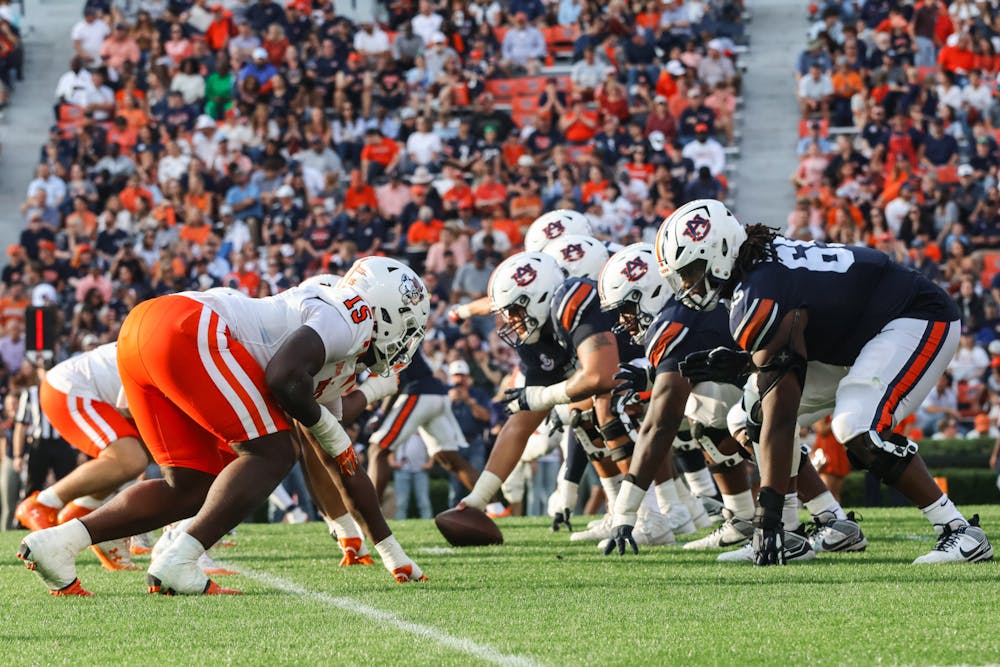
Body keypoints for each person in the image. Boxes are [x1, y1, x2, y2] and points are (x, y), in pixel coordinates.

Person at [18, 258, 431, 595]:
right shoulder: (351, 316)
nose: (407, 341)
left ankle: (59, 543)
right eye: (409, 326)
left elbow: (340, 460)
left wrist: (391, 551)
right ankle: (179, 560)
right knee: (274, 451)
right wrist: (330, 426)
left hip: (145, 330)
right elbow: (284, 379)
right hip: (186, 326)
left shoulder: (334, 357)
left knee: (192, 485)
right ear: (386, 309)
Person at [658, 198, 993, 565]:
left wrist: (765, 514)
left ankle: (960, 531)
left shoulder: (760, 292)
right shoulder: (754, 274)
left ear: (720, 251)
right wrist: (744, 367)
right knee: (746, 415)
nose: (687, 285)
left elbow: (782, 412)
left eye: (690, 271)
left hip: (915, 317)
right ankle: (804, 531)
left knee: (856, 425)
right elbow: (794, 352)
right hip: (855, 339)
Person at [456, 251, 671, 545]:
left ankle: (652, 515)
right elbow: (519, 426)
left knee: (607, 399)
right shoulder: (535, 340)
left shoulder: (573, 300)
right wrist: (478, 499)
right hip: (630, 378)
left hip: (659, 367)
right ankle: (618, 509)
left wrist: (543, 396)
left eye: (515, 310)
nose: (511, 320)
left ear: (538, 297)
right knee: (579, 413)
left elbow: (601, 375)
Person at [14, 343, 148, 570]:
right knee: (133, 459)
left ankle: (86, 519)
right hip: (71, 388)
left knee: (144, 455)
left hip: (87, 390)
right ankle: (43, 503)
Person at [367, 348, 480, 501]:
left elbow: (399, 380)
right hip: (436, 393)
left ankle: (370, 516)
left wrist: (381, 413)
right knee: (449, 458)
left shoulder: (382, 332)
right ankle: (495, 507)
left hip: (418, 393)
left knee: (378, 449)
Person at [390, 434, 433, 520]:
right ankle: (399, 524)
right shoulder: (401, 430)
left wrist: (430, 463)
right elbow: (391, 446)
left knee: (423, 501)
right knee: (401, 502)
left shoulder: (423, 431)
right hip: (402, 470)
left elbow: (432, 446)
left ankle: (427, 521)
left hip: (421, 470)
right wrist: (392, 462)